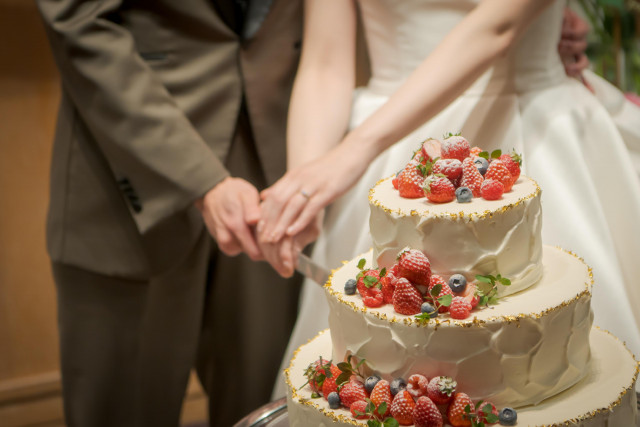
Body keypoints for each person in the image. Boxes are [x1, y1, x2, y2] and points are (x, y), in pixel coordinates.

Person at [263, 0, 640, 398]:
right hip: (389, 155)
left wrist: (352, 152)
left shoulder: (360, 148)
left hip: (537, 133)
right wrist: (304, 187)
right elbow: (325, 63)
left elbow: (500, 25)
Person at [35, 1, 315, 426]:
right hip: (129, 174)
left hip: (275, 177)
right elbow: (77, 20)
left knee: (260, 406)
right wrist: (200, 179)